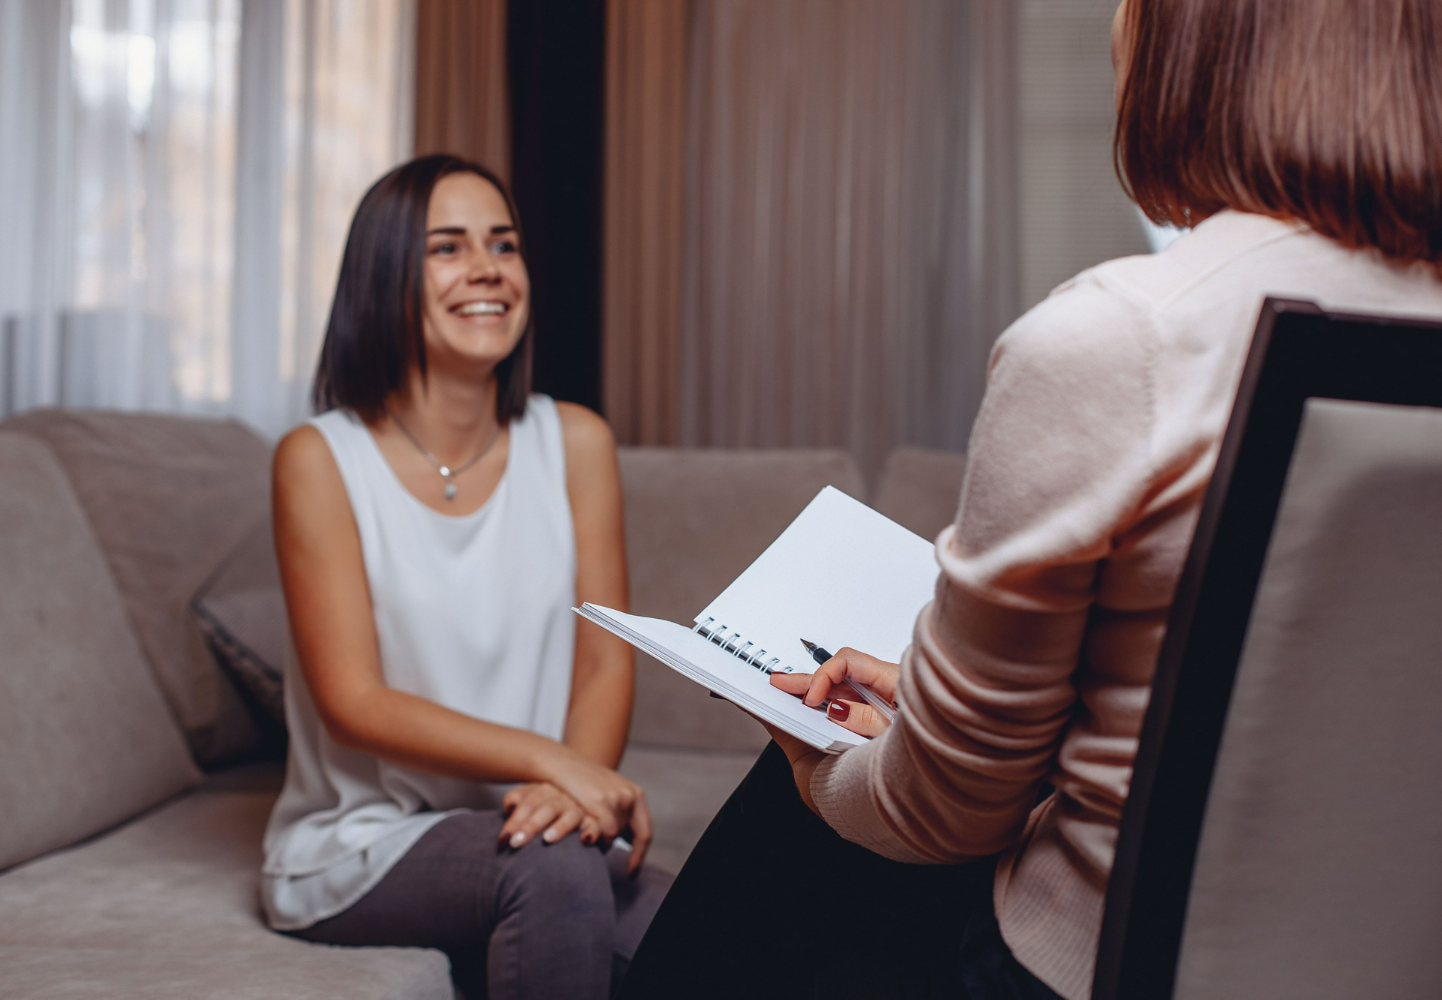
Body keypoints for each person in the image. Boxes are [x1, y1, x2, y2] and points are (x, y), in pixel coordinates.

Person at [618, 1, 1442, 998]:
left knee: (793, 820)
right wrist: (944, 710)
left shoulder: (1123, 338)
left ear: (1190, 59)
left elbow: (939, 813)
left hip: (1090, 971)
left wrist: (814, 761)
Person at [261, 154, 670, 1000]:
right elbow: (352, 702)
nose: (487, 268)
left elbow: (604, 661)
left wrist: (569, 791)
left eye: (504, 244)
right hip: (364, 842)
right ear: (383, 277)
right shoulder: (318, 459)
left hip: (532, 820)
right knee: (555, 870)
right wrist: (556, 765)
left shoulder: (577, 443)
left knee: (721, 926)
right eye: (447, 248)